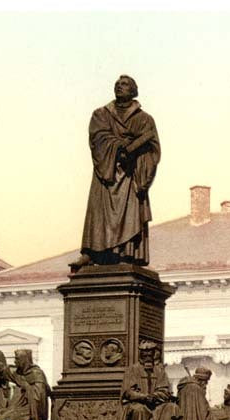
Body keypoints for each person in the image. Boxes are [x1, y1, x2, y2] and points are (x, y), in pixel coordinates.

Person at [71, 75, 160, 272]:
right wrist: (119, 148)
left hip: (130, 175)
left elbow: (153, 149)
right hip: (107, 172)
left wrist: (136, 159)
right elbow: (98, 137)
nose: (120, 87)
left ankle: (126, 251)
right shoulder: (101, 114)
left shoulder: (144, 120)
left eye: (125, 84)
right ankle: (92, 252)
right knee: (99, 211)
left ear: (133, 91)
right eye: (117, 84)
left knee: (129, 211)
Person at [119, 341, 176, 420]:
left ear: (154, 354)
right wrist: (143, 397)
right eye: (144, 354)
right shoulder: (132, 369)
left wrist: (155, 397)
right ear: (140, 354)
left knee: (172, 408)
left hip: (156, 404)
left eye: (150, 354)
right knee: (139, 410)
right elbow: (128, 392)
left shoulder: (160, 371)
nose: (147, 356)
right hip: (138, 403)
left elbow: (165, 390)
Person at [0, 349, 53, 420]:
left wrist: (26, 387)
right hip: (21, 406)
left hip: (31, 409)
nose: (15, 362)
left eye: (17, 359)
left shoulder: (36, 374)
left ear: (24, 360)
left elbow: (38, 398)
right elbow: (7, 372)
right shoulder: (21, 373)